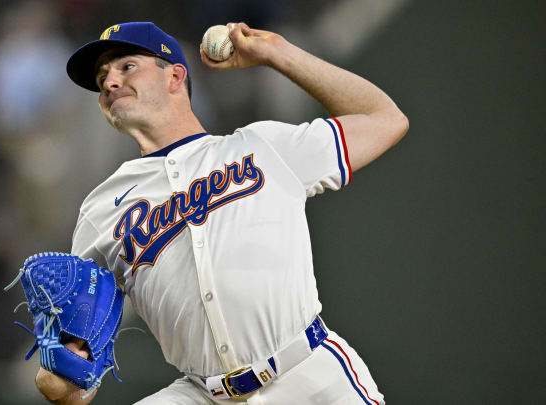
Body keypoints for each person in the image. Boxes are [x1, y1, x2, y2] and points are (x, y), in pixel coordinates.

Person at [33, 21, 408, 405]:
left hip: (307, 374)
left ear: (175, 76)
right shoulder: (100, 210)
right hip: (202, 394)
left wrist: (278, 53)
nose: (109, 82)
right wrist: (61, 375)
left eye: (126, 67)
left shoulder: (263, 147)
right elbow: (75, 388)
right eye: (101, 78)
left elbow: (384, 119)